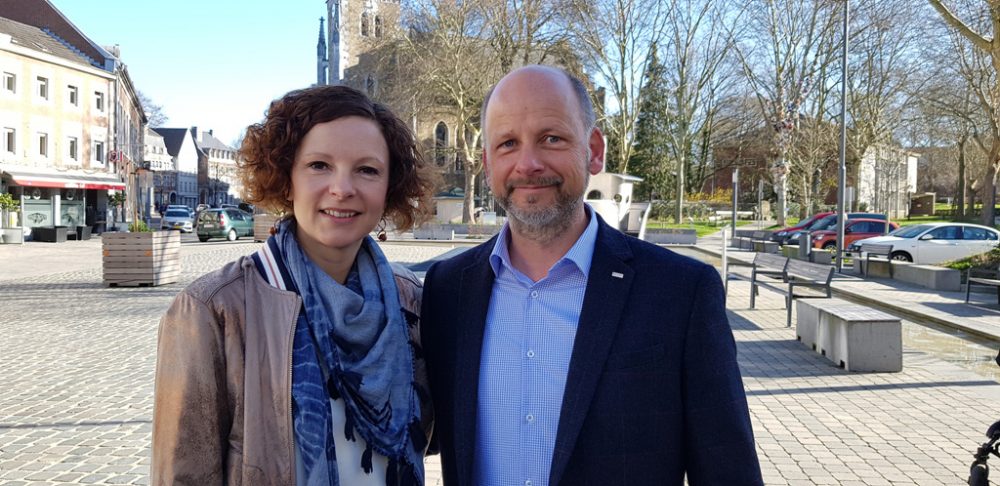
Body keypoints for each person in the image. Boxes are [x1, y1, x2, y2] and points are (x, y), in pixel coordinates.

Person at [421, 65, 763, 485]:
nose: (528, 163)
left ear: (594, 150)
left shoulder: (680, 294)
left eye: (552, 138)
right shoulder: (447, 291)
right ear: (488, 161)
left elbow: (729, 471)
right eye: (508, 143)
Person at [152, 85, 437, 485]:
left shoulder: (410, 300)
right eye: (319, 165)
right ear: (286, 178)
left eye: (367, 169)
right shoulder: (213, 310)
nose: (342, 188)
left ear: (389, 187)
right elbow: (184, 475)